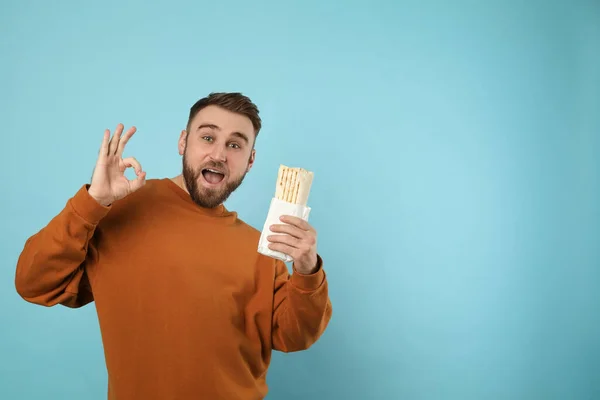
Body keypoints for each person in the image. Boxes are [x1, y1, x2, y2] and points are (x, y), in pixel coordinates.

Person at [14, 92, 332, 400]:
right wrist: (93, 202)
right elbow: (33, 283)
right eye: (208, 137)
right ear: (183, 141)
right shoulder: (119, 210)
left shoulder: (261, 248)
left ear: (250, 161)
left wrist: (307, 270)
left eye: (235, 144)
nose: (219, 154)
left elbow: (293, 335)